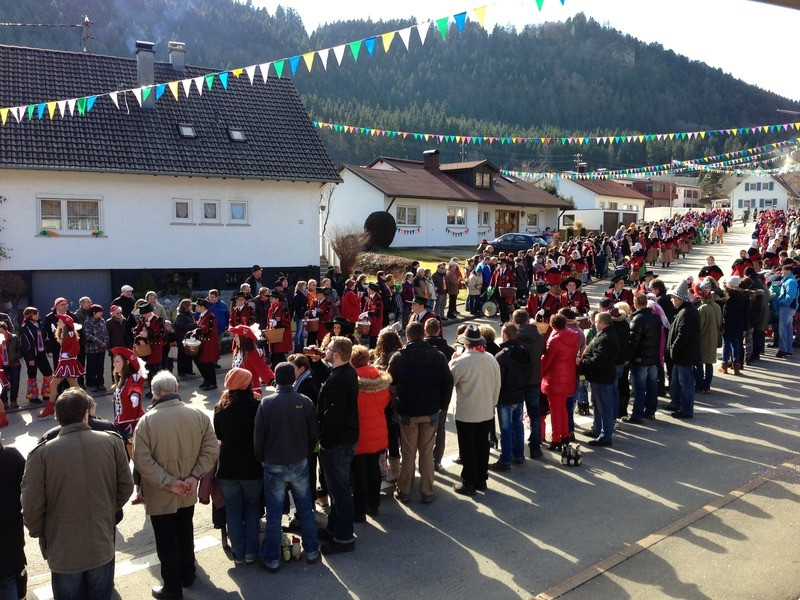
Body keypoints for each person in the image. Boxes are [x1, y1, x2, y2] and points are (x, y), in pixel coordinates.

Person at [21, 388, 133, 600]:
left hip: (63, 551)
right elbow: (125, 487)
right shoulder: (112, 442)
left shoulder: (42, 454)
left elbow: (31, 504)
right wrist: (108, 511)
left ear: (57, 417)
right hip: (101, 544)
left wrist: (41, 533)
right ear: (86, 414)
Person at [133, 371, 219, 600]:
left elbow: (142, 461)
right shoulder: (198, 414)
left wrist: (170, 483)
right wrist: (194, 476)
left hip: (161, 494)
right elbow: (211, 449)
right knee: (184, 531)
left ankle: (172, 587)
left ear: (155, 393)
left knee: (166, 540)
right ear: (175, 389)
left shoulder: (146, 422)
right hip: (188, 490)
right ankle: (188, 574)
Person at [253, 363, 320, 572]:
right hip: (299, 461)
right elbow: (313, 434)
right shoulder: (305, 402)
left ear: (275, 379)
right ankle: (311, 550)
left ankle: (271, 558)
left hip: (274, 464)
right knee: (305, 509)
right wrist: (305, 453)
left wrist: (262, 459)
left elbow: (258, 438)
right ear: (293, 378)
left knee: (274, 514)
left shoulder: (266, 403)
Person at [388, 322, 453, 503]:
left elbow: (390, 383)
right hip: (430, 410)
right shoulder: (438, 356)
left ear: (407, 336)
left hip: (408, 410)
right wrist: (442, 405)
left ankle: (404, 491)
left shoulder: (399, 357)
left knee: (408, 453)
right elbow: (447, 382)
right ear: (423, 335)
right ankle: (427, 491)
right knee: (426, 452)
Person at [213, 368, 262, 566]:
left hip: (228, 466)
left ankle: (238, 554)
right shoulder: (257, 405)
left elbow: (219, 435)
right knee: (252, 508)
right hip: (252, 465)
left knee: (233, 510)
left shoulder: (220, 407)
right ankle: (251, 552)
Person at [316, 336, 359, 554]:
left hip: (338, 443)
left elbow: (334, 415)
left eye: (328, 348)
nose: (325, 350)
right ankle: (334, 528)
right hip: (345, 439)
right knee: (335, 489)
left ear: (337, 354)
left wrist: (324, 442)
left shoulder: (340, 379)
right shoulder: (345, 372)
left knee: (340, 491)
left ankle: (343, 537)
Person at [449, 324, 501, 496]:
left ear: (466, 343)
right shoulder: (490, 359)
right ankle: (481, 479)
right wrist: (492, 403)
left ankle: (469, 481)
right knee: (482, 445)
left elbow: (450, 383)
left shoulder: (460, 361)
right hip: (485, 409)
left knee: (468, 447)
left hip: (466, 411)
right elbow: (497, 385)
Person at [349, 345, 391, 521]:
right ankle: (374, 505)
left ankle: (360, 509)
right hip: (378, 432)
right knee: (373, 469)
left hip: (360, 434)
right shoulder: (380, 380)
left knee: (358, 474)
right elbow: (386, 403)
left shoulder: (352, 383)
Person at [491, 323, 532, 471]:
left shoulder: (502, 355)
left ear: (505, 334)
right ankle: (518, 456)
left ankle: (505, 460)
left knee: (506, 429)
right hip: (519, 394)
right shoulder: (524, 351)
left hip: (506, 396)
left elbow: (497, 379)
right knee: (518, 425)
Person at [580, 311, 619, 446]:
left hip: (602, 377)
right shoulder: (607, 334)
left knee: (604, 407)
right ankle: (597, 429)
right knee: (598, 405)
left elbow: (598, 360)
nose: (595, 324)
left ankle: (606, 436)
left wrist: (581, 362)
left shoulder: (605, 338)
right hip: (600, 376)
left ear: (602, 323)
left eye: (596, 322)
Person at [540, 314, 579, 450]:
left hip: (555, 378)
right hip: (568, 376)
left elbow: (547, 360)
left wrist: (540, 372)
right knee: (562, 407)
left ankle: (556, 438)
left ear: (552, 325)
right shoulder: (573, 335)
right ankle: (564, 435)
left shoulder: (555, 340)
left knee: (555, 409)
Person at [665, 279, 702, 419]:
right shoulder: (684, 311)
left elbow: (683, 335)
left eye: (673, 298)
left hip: (685, 356)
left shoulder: (687, 313)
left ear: (680, 299)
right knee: (676, 381)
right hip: (681, 355)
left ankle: (686, 409)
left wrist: (673, 349)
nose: (672, 301)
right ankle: (676, 403)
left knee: (685, 383)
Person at [423, 318, 455, 471]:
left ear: (425, 331)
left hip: (423, 394)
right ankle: (437, 460)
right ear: (438, 331)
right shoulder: (448, 350)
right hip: (441, 395)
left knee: (423, 430)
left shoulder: (421, 347)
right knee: (439, 429)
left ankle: (424, 460)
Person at [514, 309, 546, 458]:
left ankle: (518, 450)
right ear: (528, 320)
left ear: (515, 321)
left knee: (518, 415)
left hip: (518, 381)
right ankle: (535, 447)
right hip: (534, 379)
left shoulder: (515, 338)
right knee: (534, 413)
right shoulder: (539, 338)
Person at [39, 314, 84, 420]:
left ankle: (50, 407)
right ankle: (86, 404)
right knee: (75, 387)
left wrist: (68, 354)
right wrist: (57, 330)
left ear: (65, 324)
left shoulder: (70, 333)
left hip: (67, 362)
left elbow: (76, 347)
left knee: (53, 384)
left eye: (59, 321)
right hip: (65, 362)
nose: (57, 322)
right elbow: (65, 344)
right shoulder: (66, 333)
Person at [627, 293, 662, 423]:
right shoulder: (655, 317)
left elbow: (633, 341)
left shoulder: (638, 319)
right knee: (652, 385)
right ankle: (651, 411)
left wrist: (629, 357)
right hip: (653, 357)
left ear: (636, 303)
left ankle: (637, 413)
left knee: (640, 387)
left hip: (640, 358)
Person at [0, 433, 25, 600]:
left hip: (8, 540)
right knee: (7, 582)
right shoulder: (11, 457)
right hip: (8, 540)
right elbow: (29, 488)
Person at [694, 279, 723, 394]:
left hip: (703, 340)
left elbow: (699, 327)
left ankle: (700, 386)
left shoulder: (703, 308)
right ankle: (707, 385)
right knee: (709, 363)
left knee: (700, 364)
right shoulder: (716, 306)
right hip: (714, 338)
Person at [20, 307, 52, 406]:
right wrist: (30, 358)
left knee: (48, 373)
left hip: (41, 353)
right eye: (35, 314)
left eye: (37, 314)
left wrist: (49, 351)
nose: (38, 315)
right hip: (32, 355)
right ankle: (33, 397)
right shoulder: (25, 328)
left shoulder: (40, 325)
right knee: (32, 375)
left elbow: (46, 338)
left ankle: (47, 394)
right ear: (29, 315)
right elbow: (25, 344)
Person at [230, 325, 274, 396]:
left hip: (252, 392)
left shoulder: (253, 354)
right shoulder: (236, 352)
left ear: (243, 339)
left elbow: (264, 370)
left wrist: (273, 382)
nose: (234, 339)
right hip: (238, 391)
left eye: (237, 337)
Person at [133, 300, 165, 392]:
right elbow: (136, 330)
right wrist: (140, 339)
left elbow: (161, 335)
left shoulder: (159, 320)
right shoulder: (142, 319)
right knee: (147, 370)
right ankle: (152, 390)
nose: (142, 315)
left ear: (147, 313)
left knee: (154, 371)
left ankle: (155, 391)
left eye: (143, 313)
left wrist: (148, 335)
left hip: (155, 349)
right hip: (144, 349)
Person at [193, 299, 220, 391]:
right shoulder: (202, 316)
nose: (196, 308)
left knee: (209, 364)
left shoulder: (210, 317)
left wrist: (198, 332)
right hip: (203, 343)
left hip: (209, 344)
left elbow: (209, 332)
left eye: (197, 306)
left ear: (202, 307)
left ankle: (213, 383)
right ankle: (207, 380)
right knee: (203, 363)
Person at [83, 304, 109, 392]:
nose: (101, 313)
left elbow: (105, 332)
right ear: (94, 312)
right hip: (91, 349)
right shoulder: (87, 322)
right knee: (91, 367)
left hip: (101, 349)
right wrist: (99, 342)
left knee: (100, 367)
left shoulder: (102, 321)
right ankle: (91, 384)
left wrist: (105, 341)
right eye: (99, 312)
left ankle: (100, 383)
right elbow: (87, 335)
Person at [775, 262, 798, 358]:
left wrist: (781, 302)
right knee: (788, 328)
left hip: (787, 307)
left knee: (783, 329)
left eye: (783, 270)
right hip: (790, 307)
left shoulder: (790, 281)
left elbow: (791, 296)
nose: (781, 272)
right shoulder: (791, 280)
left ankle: (783, 349)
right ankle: (788, 349)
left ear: (788, 271)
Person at [266, 291, 293, 366]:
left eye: (272, 299)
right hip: (273, 336)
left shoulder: (284, 309)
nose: (270, 300)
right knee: (276, 355)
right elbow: (268, 322)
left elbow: (287, 322)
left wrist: (277, 323)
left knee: (278, 355)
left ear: (277, 299)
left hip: (280, 336)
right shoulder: (271, 309)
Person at [172, 300, 196, 377]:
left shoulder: (189, 314)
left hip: (188, 337)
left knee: (188, 354)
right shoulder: (180, 316)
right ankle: (181, 372)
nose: (191, 306)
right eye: (190, 305)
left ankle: (189, 370)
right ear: (186, 306)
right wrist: (194, 324)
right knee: (182, 355)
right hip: (181, 338)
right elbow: (182, 326)